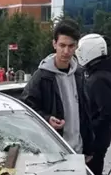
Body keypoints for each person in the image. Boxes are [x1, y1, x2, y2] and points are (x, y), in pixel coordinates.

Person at [22, 19, 94, 159]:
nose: (66, 51)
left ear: (76, 46)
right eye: (62, 45)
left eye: (71, 46)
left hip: (78, 151)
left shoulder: (79, 74)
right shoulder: (42, 76)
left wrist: (89, 148)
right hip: (53, 151)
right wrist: (47, 119)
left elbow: (85, 113)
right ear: (54, 44)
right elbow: (27, 108)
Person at [76, 33, 111, 175]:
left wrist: (89, 131)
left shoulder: (100, 78)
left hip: (95, 142)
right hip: (96, 140)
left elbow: (106, 113)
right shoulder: (100, 74)